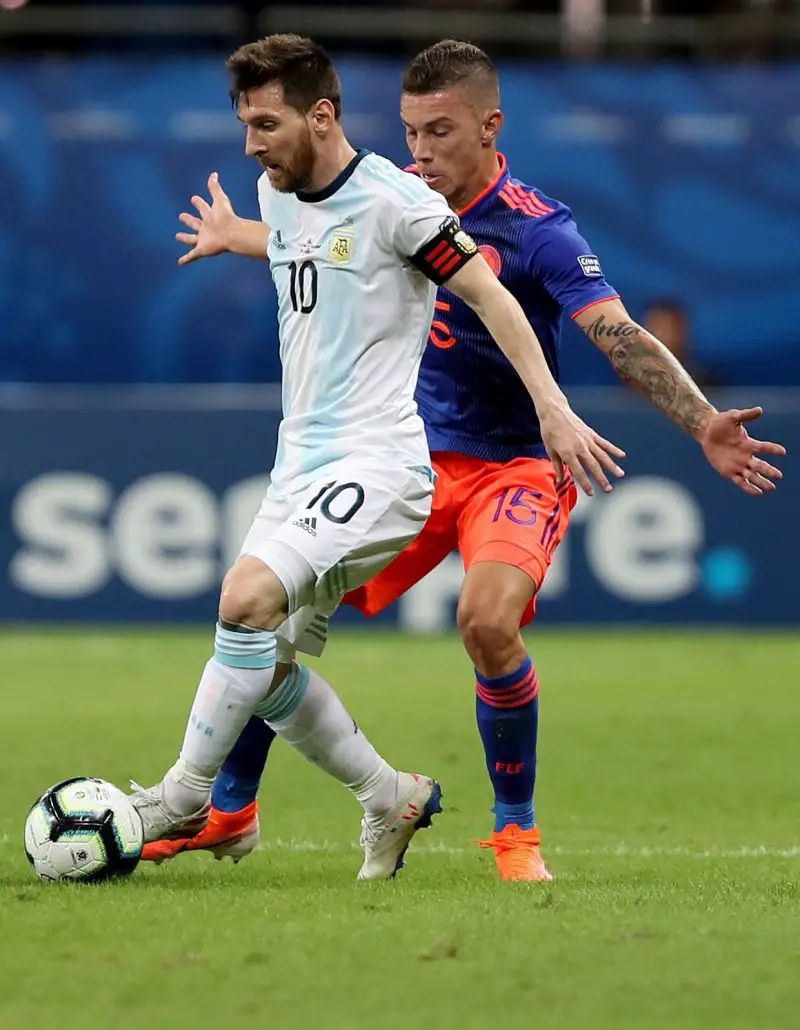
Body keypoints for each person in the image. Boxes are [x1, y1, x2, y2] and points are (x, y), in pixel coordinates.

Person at [140, 39, 785, 881]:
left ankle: (514, 833)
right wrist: (245, 237)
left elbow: (617, 334)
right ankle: (234, 807)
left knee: (484, 621)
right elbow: (330, 248)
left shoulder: (535, 230)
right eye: (411, 132)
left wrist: (698, 421)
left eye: (440, 132)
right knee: (273, 620)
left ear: (489, 127)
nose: (422, 151)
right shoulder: (380, 200)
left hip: (511, 463)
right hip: (419, 452)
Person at [644, 299, 723, 390]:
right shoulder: (633, 379)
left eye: (667, 330)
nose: (659, 337)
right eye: (654, 330)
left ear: (682, 332)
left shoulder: (703, 381)